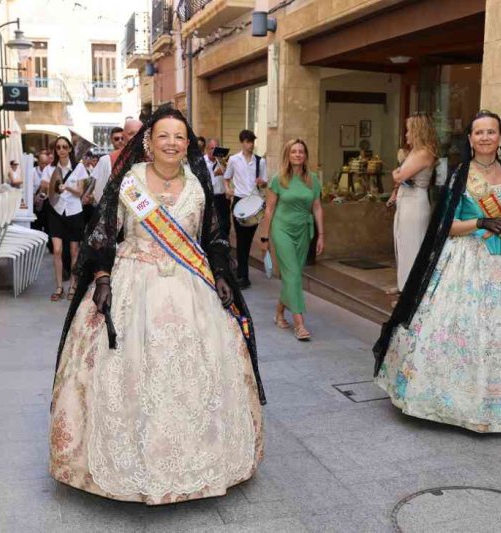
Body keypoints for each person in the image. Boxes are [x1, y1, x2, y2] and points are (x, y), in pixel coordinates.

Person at [49, 106, 264, 504]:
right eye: (163, 135)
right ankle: (130, 466)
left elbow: (214, 238)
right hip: (134, 284)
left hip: (189, 288)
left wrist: (219, 274)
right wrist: (102, 277)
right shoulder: (129, 181)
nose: (171, 143)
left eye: (179, 137)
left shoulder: (199, 185)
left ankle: (200, 462)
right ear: (148, 140)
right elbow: (103, 234)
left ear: (188, 144)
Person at [373, 110, 501, 433]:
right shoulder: (460, 175)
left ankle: (500, 404)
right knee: (462, 331)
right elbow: (444, 227)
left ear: (500, 137)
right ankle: (452, 401)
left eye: (491, 132)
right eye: (478, 132)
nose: (485, 137)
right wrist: (480, 222)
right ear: (470, 139)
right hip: (464, 261)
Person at [260, 139, 324, 341]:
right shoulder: (279, 179)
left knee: (291, 276)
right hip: (282, 229)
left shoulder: (312, 179)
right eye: (294, 151)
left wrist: (322, 235)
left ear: (305, 156)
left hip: (303, 230)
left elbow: (317, 207)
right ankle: (300, 325)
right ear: (287, 155)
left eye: (301, 152)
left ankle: (279, 312)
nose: (298, 154)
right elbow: (269, 209)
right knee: (294, 275)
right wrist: (265, 236)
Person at [388, 114, 438, 294]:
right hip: (406, 200)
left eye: (409, 130)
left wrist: (397, 173)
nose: (407, 134)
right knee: (402, 243)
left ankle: (412, 292)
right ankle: (404, 285)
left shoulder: (425, 152)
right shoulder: (414, 152)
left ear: (417, 130)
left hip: (415, 202)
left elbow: (400, 176)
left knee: (413, 246)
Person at [224, 129, 267, 289]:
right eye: (248, 142)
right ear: (242, 142)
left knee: (247, 241)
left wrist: (262, 182)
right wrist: (228, 189)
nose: (250, 145)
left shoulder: (260, 161)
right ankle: (243, 275)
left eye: (252, 142)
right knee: (241, 241)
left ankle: (242, 273)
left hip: (254, 203)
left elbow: (265, 183)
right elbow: (226, 178)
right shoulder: (234, 160)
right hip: (239, 201)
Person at [47, 136, 88, 301]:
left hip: (74, 211)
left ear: (70, 149)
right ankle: (58, 286)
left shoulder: (79, 168)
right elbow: (46, 186)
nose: (62, 150)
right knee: (57, 250)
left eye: (65, 147)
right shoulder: (50, 169)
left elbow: (80, 192)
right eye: (58, 147)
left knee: (74, 251)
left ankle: (73, 285)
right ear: (55, 150)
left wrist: (67, 187)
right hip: (56, 211)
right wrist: (50, 187)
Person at [203, 138, 230, 239]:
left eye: (216, 148)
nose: (213, 151)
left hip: (222, 197)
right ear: (207, 149)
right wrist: (214, 174)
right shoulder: (202, 162)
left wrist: (225, 167)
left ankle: (224, 245)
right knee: (210, 224)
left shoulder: (222, 161)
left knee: (225, 224)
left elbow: (230, 177)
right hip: (208, 197)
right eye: (211, 148)